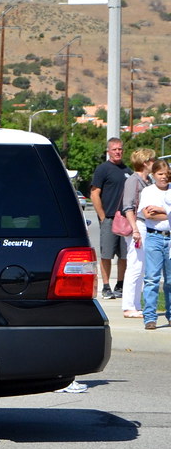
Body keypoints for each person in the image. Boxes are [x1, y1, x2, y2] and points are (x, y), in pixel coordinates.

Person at [90, 138, 133, 304]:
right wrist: (102, 217)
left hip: (126, 219)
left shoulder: (127, 170)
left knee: (124, 255)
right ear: (108, 151)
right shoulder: (103, 169)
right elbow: (94, 193)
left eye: (120, 149)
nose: (118, 152)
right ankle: (106, 286)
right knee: (106, 254)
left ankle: (120, 285)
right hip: (109, 218)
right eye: (114, 149)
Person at [120, 148, 155, 319]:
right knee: (135, 265)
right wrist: (134, 229)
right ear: (144, 162)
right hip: (137, 226)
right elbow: (128, 207)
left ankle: (136, 304)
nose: (154, 163)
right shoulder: (132, 181)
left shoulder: (148, 181)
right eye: (152, 160)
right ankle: (128, 305)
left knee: (141, 267)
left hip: (145, 225)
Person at [139, 159, 171, 331]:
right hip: (155, 237)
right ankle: (150, 317)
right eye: (160, 174)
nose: (164, 178)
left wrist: (160, 210)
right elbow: (148, 215)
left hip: (170, 237)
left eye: (166, 175)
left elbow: (156, 212)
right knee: (152, 278)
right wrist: (168, 213)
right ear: (153, 175)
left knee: (170, 280)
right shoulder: (148, 192)